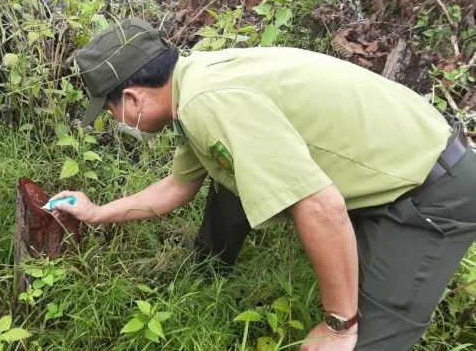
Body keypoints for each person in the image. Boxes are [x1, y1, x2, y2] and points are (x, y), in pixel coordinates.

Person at [51, 17, 476, 351]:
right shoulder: (193, 82)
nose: (115, 123)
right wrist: (96, 214)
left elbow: (320, 205)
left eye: (108, 112)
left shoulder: (206, 102)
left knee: (367, 339)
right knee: (231, 180)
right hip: (392, 155)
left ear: (132, 98)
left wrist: (339, 324)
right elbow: (177, 187)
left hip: (429, 190)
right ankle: (210, 269)